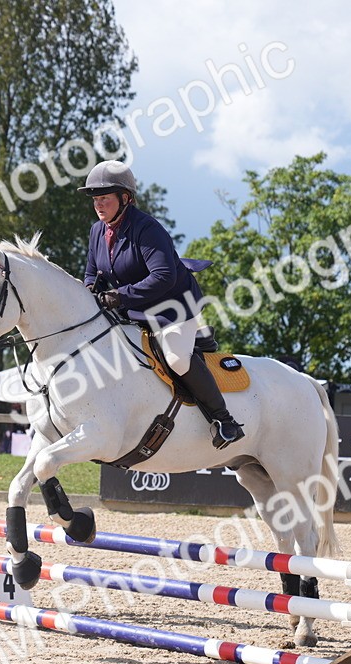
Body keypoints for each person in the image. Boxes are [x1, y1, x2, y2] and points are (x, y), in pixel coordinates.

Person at [79, 160, 244, 449]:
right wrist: (90, 291)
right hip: (134, 309)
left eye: (104, 198)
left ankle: (224, 421)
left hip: (172, 307)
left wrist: (120, 296)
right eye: (95, 199)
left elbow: (164, 277)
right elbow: (93, 273)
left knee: (177, 359)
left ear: (125, 198)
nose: (98, 205)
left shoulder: (147, 228)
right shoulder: (97, 231)